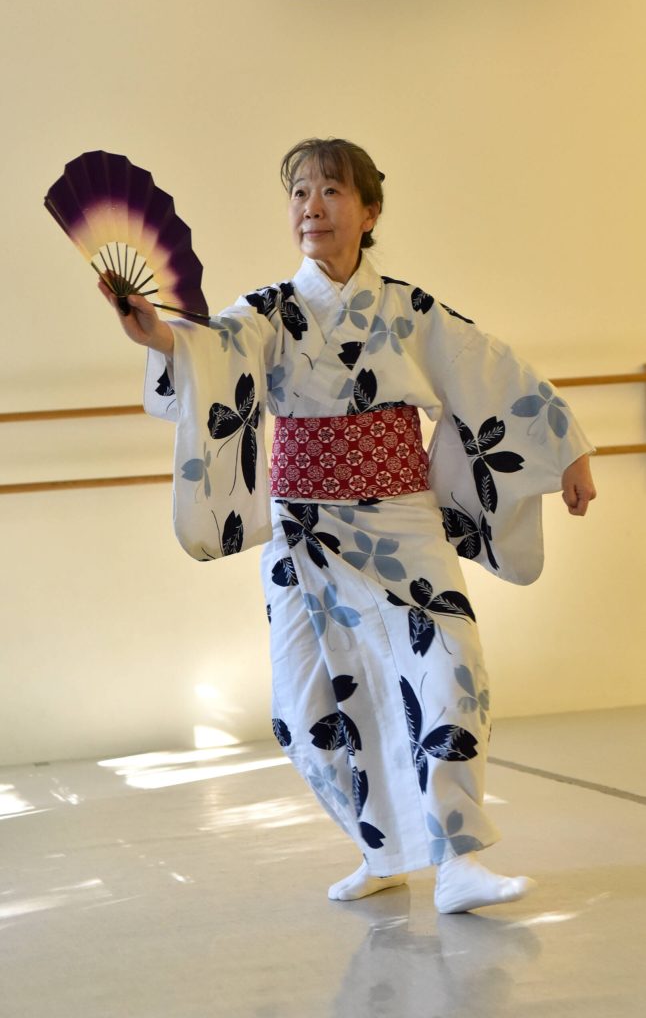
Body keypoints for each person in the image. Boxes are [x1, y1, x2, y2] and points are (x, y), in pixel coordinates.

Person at [99, 137, 596, 914]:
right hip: (305, 533)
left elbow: (491, 370)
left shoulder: (408, 310)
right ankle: (382, 847)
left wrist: (565, 451)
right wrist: (158, 335)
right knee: (306, 710)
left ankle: (461, 856)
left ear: (369, 211)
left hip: (401, 520)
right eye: (299, 192)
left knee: (450, 670)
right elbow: (209, 347)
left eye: (331, 191)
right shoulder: (268, 309)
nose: (311, 207)